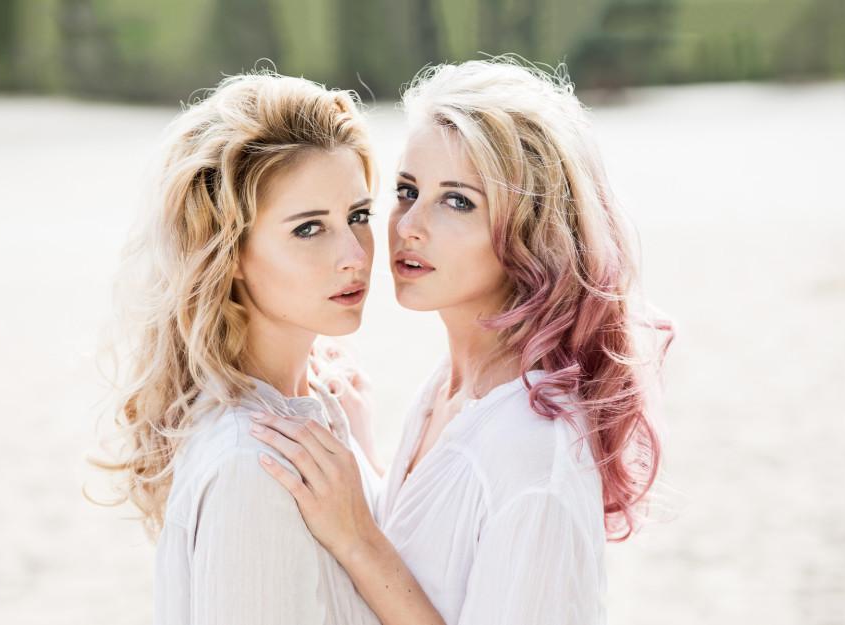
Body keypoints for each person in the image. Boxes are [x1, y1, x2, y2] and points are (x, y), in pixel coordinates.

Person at [251, 58, 674, 625]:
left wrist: (356, 537)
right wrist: (364, 458)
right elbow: (433, 566)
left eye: (457, 201)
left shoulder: (535, 454)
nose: (408, 225)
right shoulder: (450, 391)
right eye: (407, 191)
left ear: (531, 229)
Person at [95, 71, 392, 625]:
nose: (355, 255)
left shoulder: (320, 415)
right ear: (228, 252)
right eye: (309, 229)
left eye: (358, 216)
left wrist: (368, 458)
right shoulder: (255, 468)